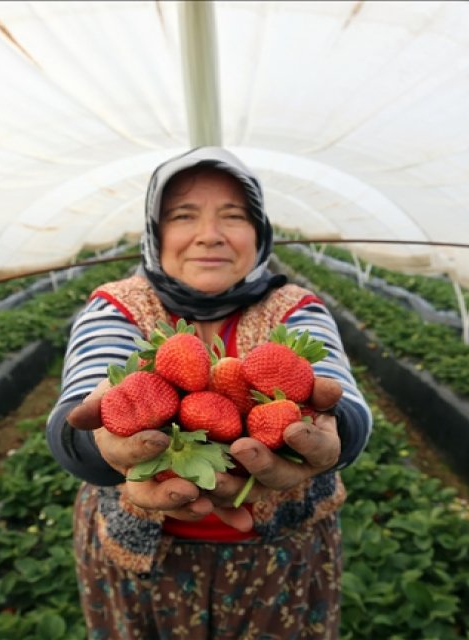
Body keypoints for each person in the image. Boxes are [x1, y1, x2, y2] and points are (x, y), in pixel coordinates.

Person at [46, 146, 372, 639]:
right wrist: (102, 444)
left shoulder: (296, 308)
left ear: (259, 233)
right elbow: (78, 410)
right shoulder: (117, 307)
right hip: (146, 561)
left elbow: (341, 403)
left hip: (280, 558)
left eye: (234, 216)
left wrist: (335, 433)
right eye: (183, 215)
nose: (210, 235)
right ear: (155, 233)